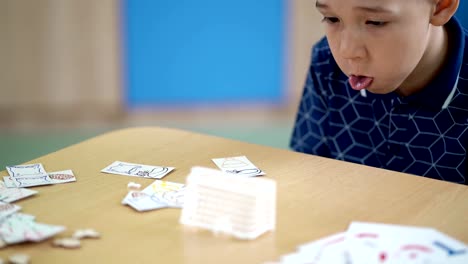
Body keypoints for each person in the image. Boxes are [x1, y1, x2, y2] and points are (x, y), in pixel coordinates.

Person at [290, 0, 467, 184]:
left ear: (441, 5)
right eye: (332, 18)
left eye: (375, 22)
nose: (347, 51)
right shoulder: (326, 62)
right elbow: (307, 174)